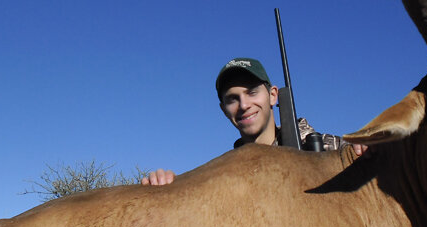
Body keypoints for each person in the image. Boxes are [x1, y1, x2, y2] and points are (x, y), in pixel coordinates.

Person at [141, 57, 365, 186]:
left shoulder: (323, 148)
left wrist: (367, 146)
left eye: (252, 92)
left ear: (273, 95)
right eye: (232, 99)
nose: (244, 104)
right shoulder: (224, 174)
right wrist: (169, 185)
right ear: (223, 109)